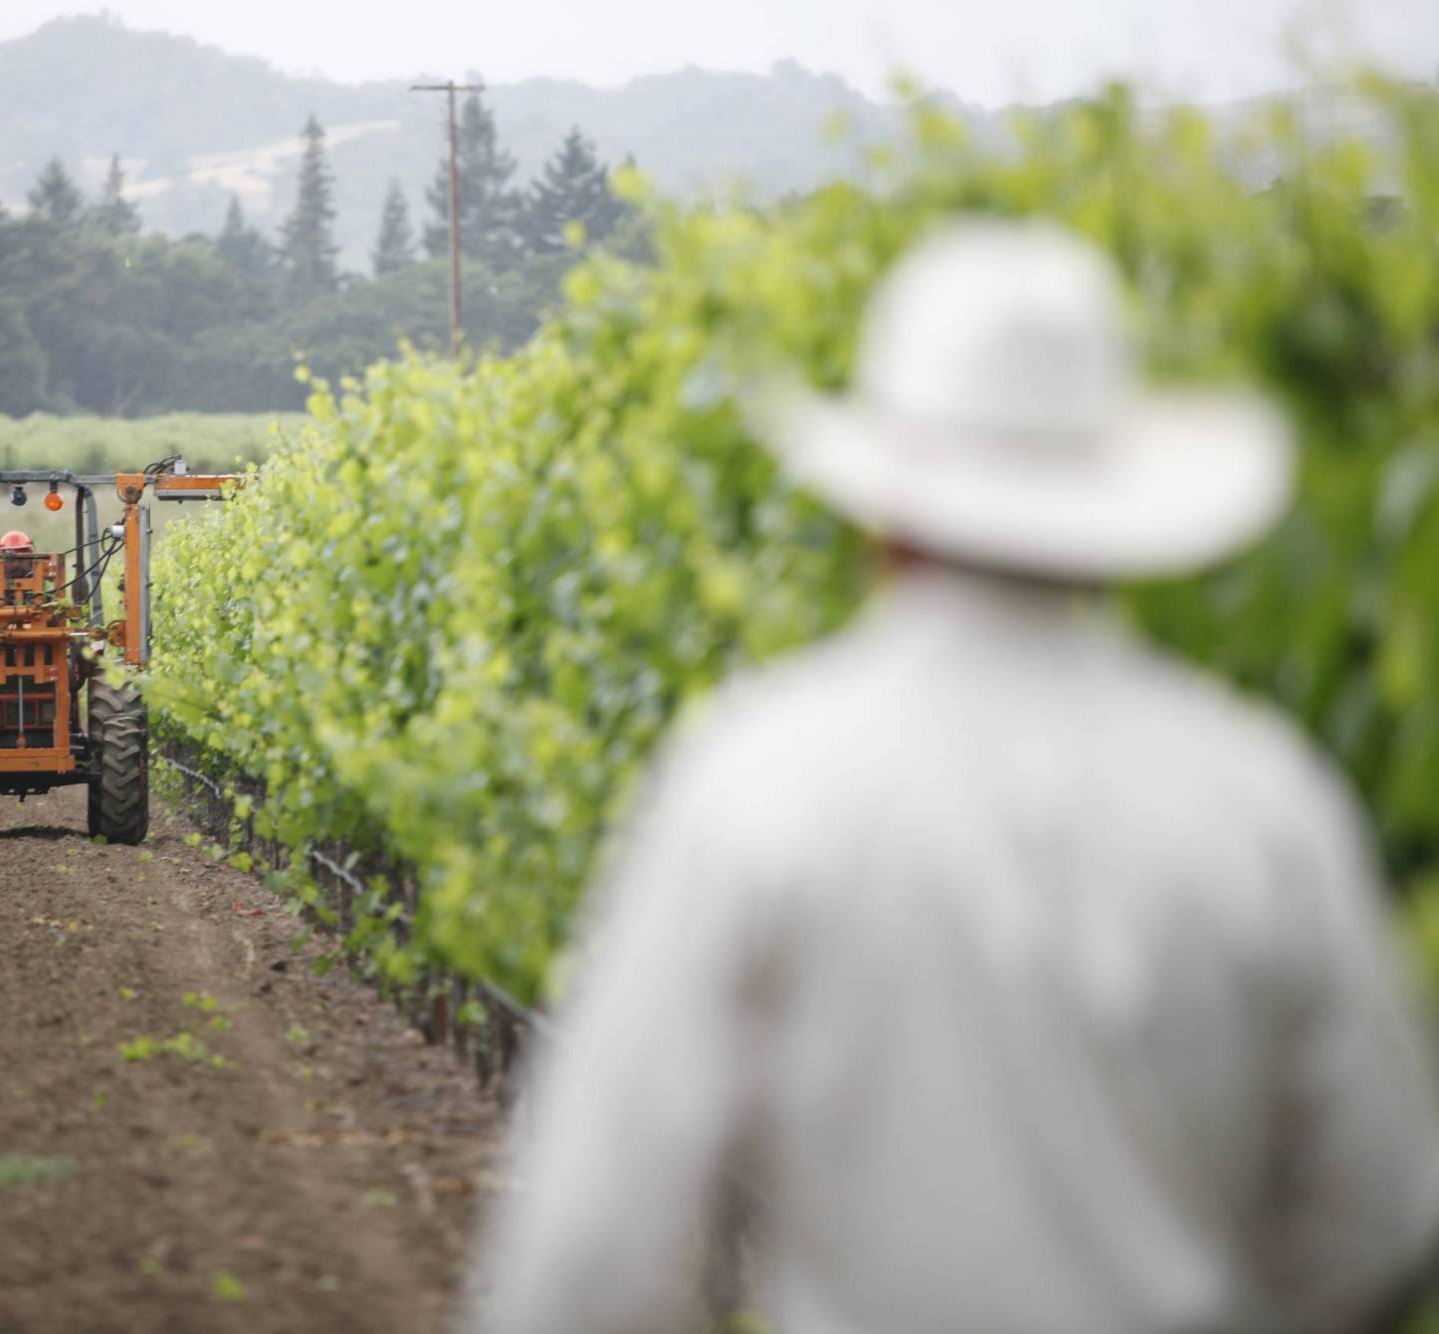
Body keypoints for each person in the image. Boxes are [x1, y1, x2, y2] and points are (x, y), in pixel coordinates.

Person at [469, 221, 1439, 1334]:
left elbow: (591, 1235)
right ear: (1109, 503)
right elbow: (1378, 1210)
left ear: (884, 500)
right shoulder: (1261, 799)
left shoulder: (762, 780)